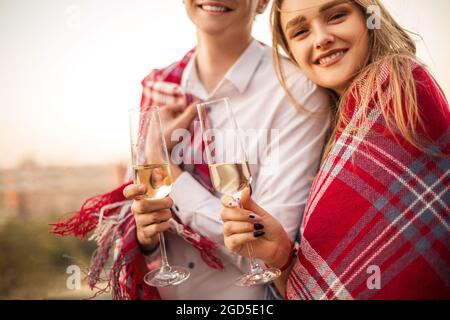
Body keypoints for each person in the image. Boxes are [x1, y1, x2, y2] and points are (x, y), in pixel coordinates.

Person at [52, 0, 330, 299]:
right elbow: (144, 226)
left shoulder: (296, 91)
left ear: (262, 2)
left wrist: (168, 172)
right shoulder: (161, 86)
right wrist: (147, 236)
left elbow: (267, 251)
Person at [220, 0, 450, 299]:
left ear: (371, 18)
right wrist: (282, 256)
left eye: (337, 15)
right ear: (292, 54)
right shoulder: (329, 134)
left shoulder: (399, 84)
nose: (321, 38)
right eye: (301, 31)